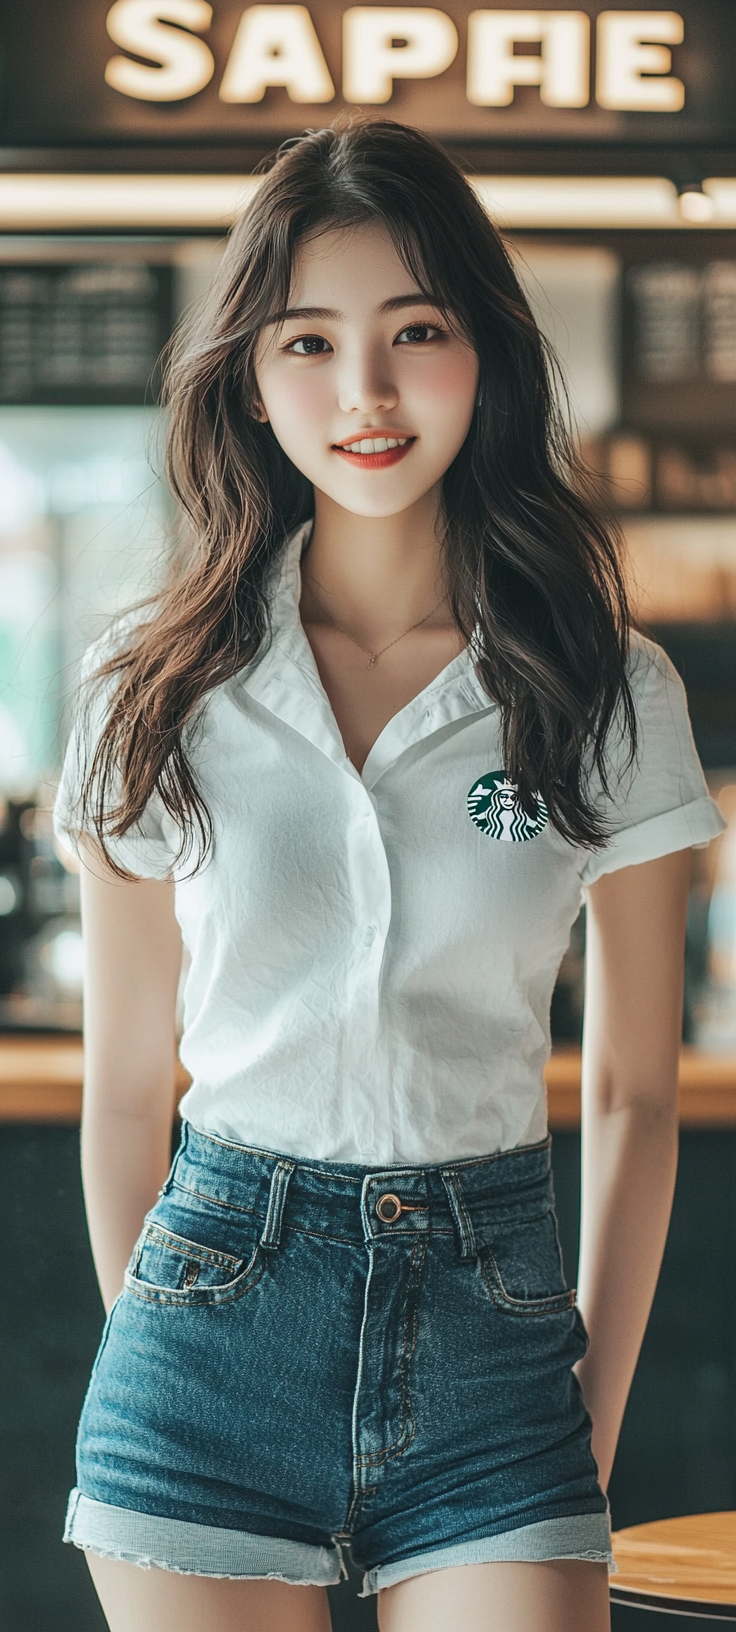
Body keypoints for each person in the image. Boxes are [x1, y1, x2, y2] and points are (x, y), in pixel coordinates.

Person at [54, 121, 723, 1632]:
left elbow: (629, 1095)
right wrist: (153, 1348)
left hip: (499, 1339)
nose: (365, 393)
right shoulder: (149, 683)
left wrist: (588, 1415)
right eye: (310, 341)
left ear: (485, 352)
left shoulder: (604, 685)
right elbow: (123, 1087)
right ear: (249, 372)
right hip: (208, 1326)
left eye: (415, 331)